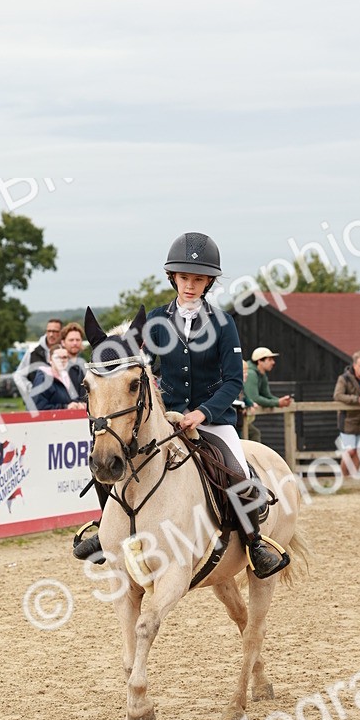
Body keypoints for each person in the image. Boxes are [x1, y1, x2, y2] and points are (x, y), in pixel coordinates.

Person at [73, 231, 289, 579]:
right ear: (173, 277)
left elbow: (234, 379)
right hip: (166, 418)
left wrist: (203, 412)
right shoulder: (156, 321)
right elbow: (138, 366)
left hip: (212, 419)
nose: (190, 285)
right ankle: (104, 531)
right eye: (185, 277)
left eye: (199, 279)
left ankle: (254, 543)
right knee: (111, 457)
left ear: (208, 282)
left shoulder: (223, 323)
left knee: (238, 472)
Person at [243, 347, 292, 443]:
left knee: (254, 433)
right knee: (253, 434)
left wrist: (280, 401)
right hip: (240, 417)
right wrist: (277, 402)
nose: (273, 362)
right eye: (269, 359)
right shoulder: (252, 374)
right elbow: (254, 398)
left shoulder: (261, 374)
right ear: (259, 361)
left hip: (246, 417)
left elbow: (267, 395)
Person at [14, 317, 63, 395]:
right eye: (49, 331)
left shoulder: (65, 352)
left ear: (61, 333)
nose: (51, 334)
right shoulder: (32, 351)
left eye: (55, 331)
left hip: (61, 402)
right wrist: (31, 390)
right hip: (36, 403)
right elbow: (18, 375)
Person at [32, 346, 85, 412]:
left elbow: (70, 400)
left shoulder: (67, 377)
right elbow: (38, 407)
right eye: (57, 357)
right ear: (50, 359)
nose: (62, 360)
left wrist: (78, 404)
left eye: (65, 357)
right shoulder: (43, 378)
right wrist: (65, 407)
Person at [61, 322, 88, 394]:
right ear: (63, 342)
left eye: (78, 340)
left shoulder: (85, 365)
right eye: (71, 340)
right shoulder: (57, 366)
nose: (75, 343)